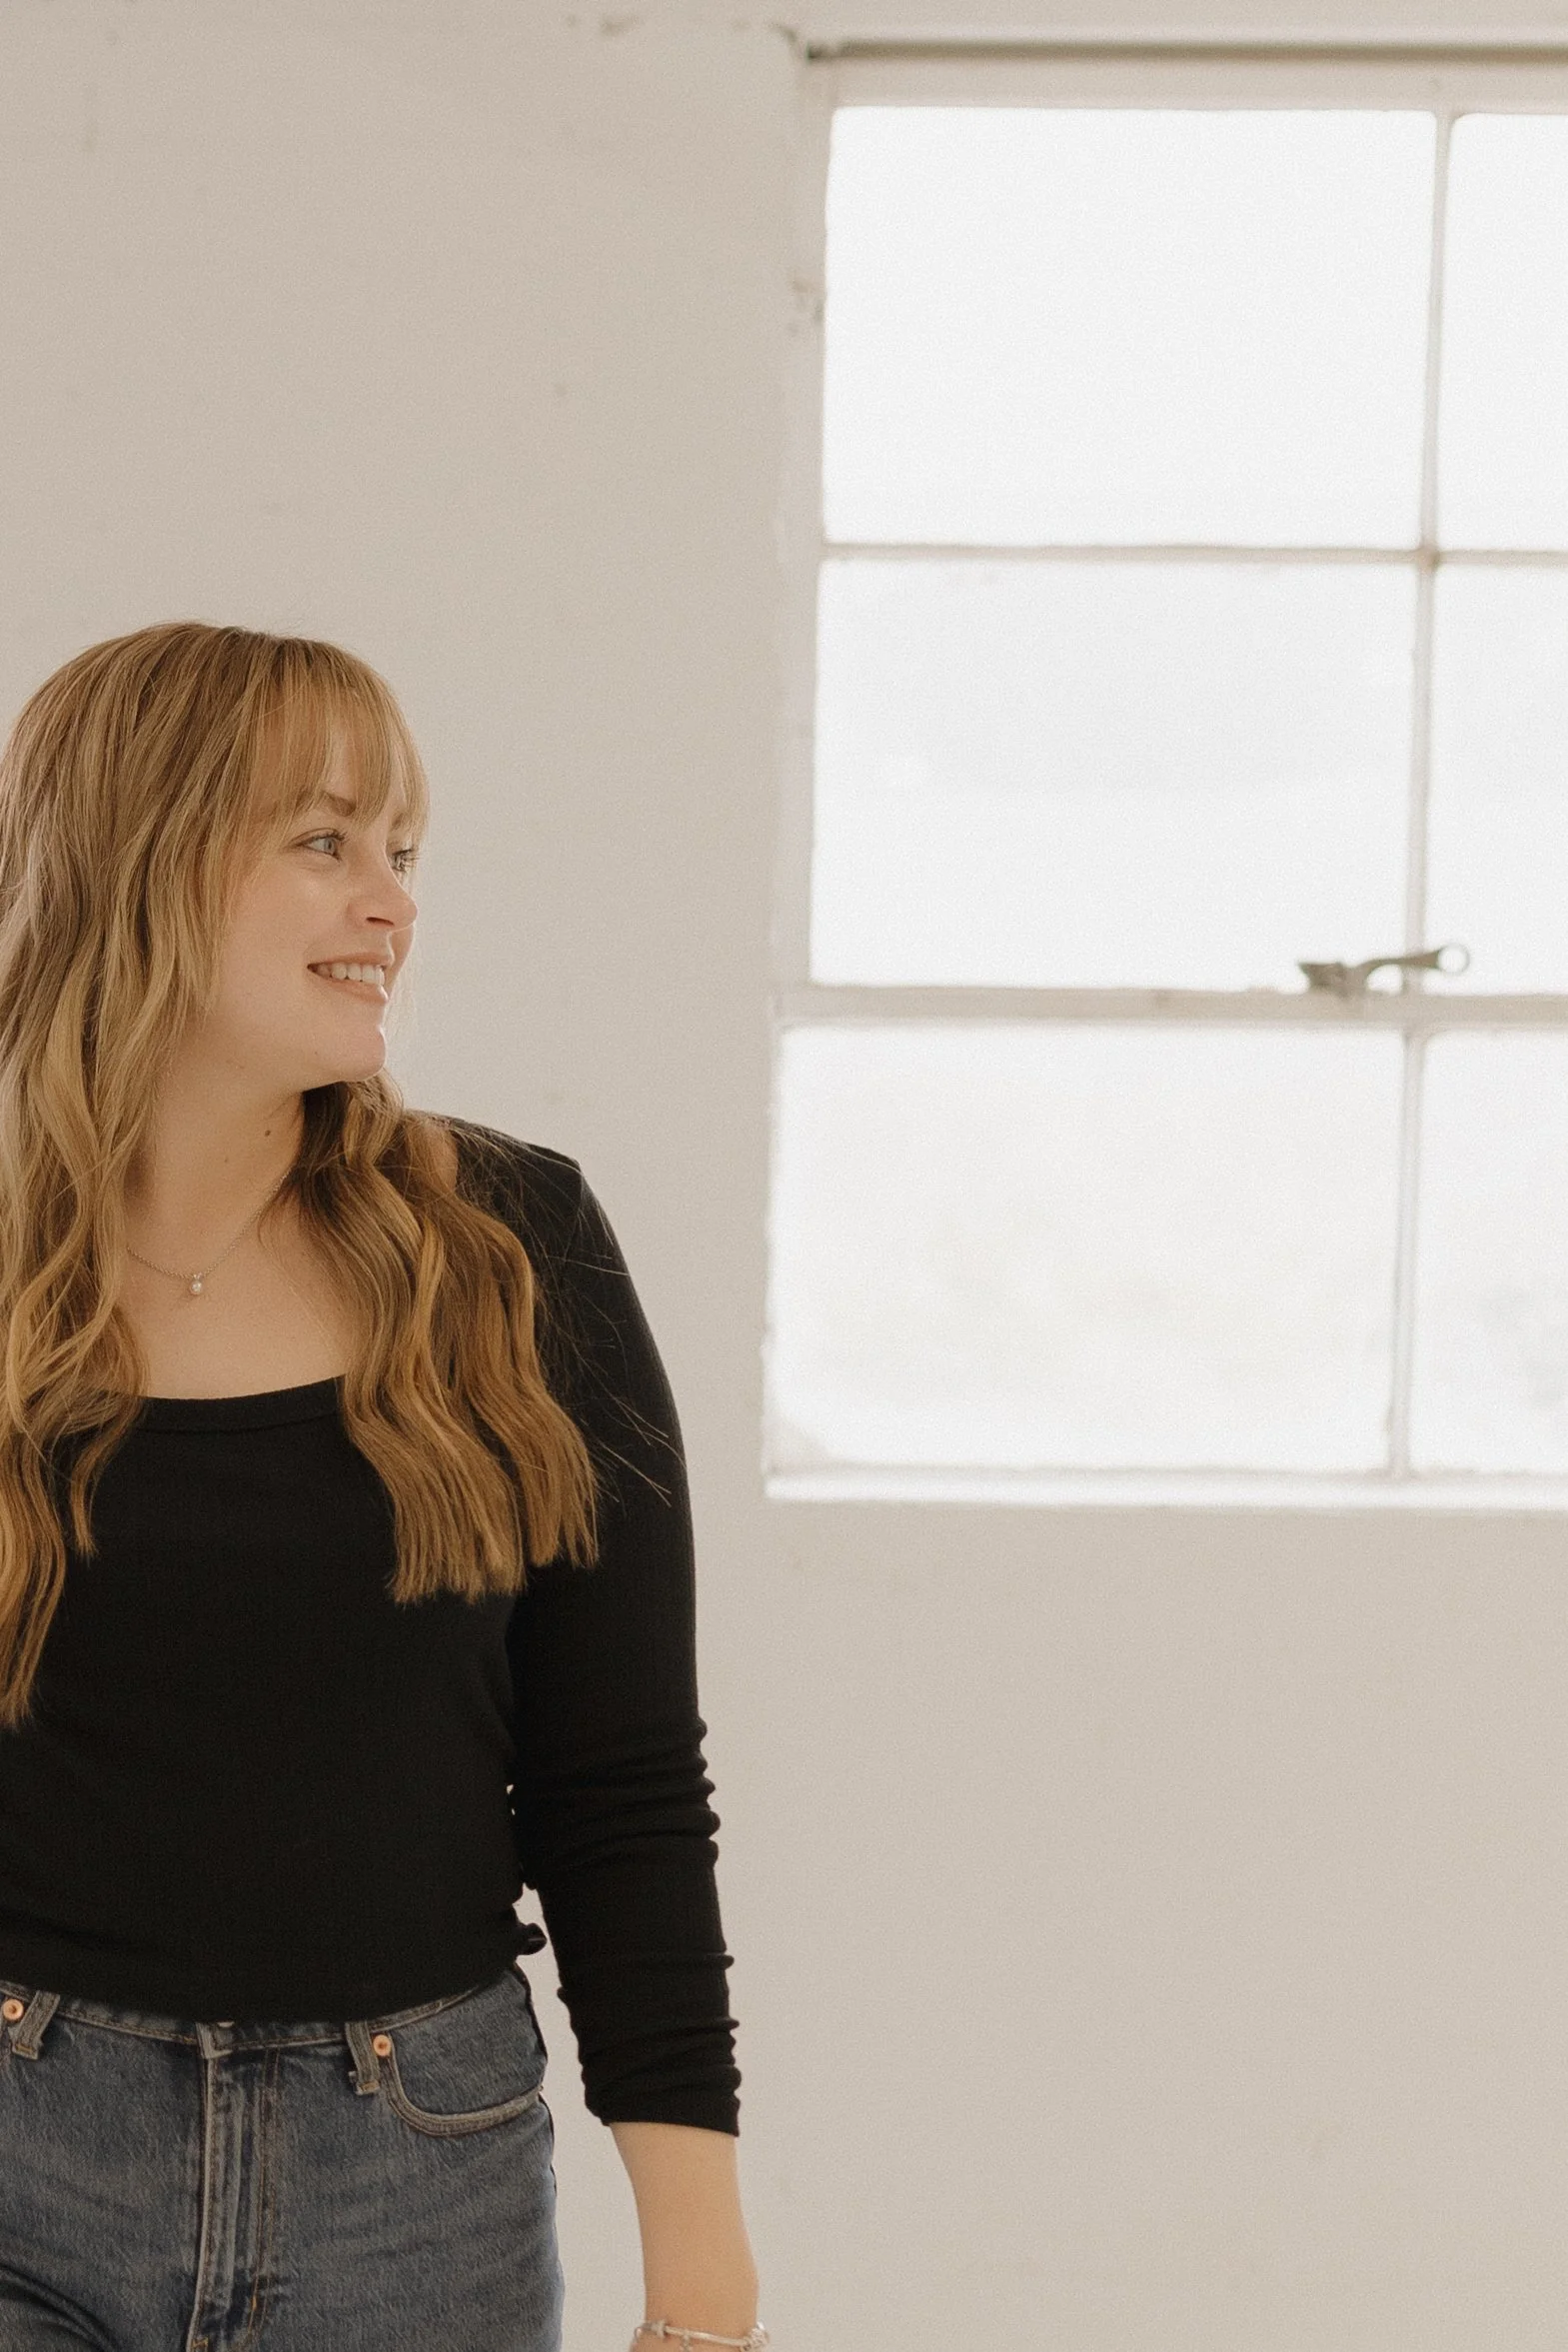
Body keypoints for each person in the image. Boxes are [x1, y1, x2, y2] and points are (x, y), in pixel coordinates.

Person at [0, 621, 766, 2352]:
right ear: (139, 852)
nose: (391, 905)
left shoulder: (512, 1243)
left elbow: (623, 1782)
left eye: (402, 854)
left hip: (415, 2177)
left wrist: (704, 2279)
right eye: (324, 840)